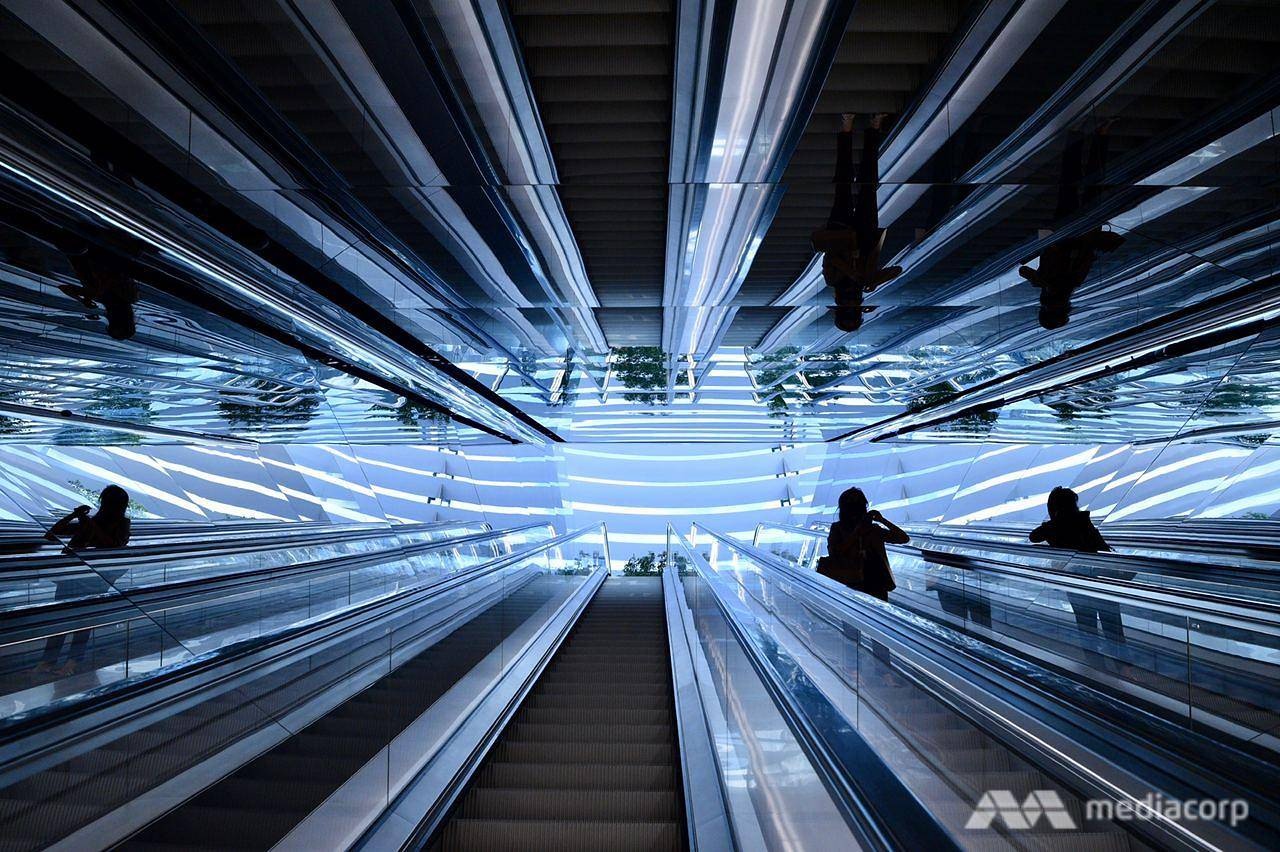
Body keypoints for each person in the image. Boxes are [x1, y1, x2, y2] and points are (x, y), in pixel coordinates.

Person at [1019, 122, 1125, 329]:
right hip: (1059, 232)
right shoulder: (1044, 283)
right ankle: (1076, 135)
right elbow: (1023, 270)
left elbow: (1087, 256)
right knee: (1068, 185)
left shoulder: (1072, 283)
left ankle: (1101, 133)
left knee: (1093, 184)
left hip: (1085, 230)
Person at [812, 113, 903, 333]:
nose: (852, 305)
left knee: (844, 183)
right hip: (865, 230)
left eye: (847, 311)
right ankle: (873, 128)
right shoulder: (866, 282)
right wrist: (874, 281)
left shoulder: (833, 281)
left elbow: (830, 256)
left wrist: (854, 274)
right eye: (855, 311)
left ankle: (847, 130)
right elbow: (897, 270)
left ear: (839, 308)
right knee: (868, 184)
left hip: (841, 230)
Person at [1029, 486, 1130, 672]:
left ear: (1054, 507)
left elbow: (1033, 537)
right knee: (1112, 624)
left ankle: (1096, 666)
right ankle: (1123, 669)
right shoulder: (1083, 521)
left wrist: (1052, 525)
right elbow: (1102, 547)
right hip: (1100, 581)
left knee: (1086, 625)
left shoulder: (1052, 528)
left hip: (1075, 582)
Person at [36, 486, 132, 675]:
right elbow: (51, 534)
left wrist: (86, 521)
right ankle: (49, 661)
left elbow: (111, 544)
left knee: (83, 621)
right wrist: (73, 515)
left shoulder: (121, 524)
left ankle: (71, 662)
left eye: (106, 502)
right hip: (71, 576)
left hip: (94, 578)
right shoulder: (92, 521)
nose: (102, 505)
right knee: (59, 619)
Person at [824, 486, 909, 602]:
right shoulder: (838, 529)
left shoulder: (872, 530)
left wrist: (882, 520)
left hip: (872, 581)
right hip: (852, 582)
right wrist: (857, 533)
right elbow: (835, 554)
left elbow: (903, 538)